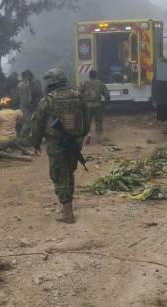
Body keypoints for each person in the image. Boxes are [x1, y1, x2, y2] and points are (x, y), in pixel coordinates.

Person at [31, 68, 90, 223]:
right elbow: (86, 118)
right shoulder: (78, 96)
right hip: (74, 142)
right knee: (69, 172)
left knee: (59, 174)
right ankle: (67, 206)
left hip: (56, 143)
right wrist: (81, 136)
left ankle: (68, 213)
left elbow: (37, 124)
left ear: (50, 83)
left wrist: (35, 143)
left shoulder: (47, 101)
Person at [79, 69, 111, 144]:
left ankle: (88, 134)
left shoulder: (85, 83)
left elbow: (79, 93)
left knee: (87, 122)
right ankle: (99, 137)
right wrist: (106, 103)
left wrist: (81, 103)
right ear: (96, 75)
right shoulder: (100, 83)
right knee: (98, 121)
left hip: (87, 106)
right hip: (98, 105)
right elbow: (106, 94)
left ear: (89, 76)